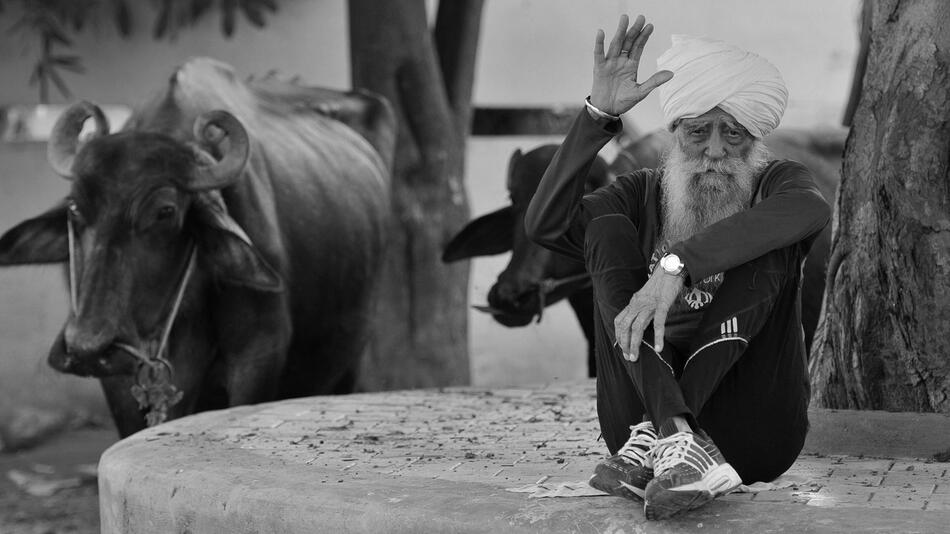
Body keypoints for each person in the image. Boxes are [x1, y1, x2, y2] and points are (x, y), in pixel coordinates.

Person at [524, 14, 830, 520]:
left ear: (755, 139)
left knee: (774, 239)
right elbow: (546, 227)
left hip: (752, 429)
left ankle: (679, 436)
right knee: (604, 229)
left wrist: (676, 265)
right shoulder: (640, 193)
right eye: (698, 133)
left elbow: (811, 210)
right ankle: (675, 433)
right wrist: (596, 117)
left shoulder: (776, 183)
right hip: (638, 442)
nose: (715, 151)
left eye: (733, 134)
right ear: (674, 135)